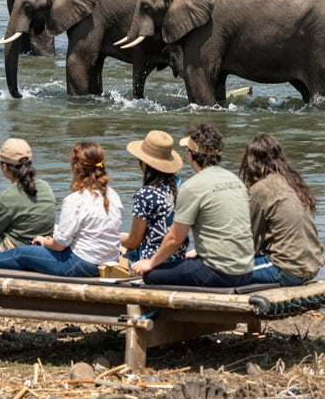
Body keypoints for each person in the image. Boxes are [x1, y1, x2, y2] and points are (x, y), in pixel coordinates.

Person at [0, 140, 123, 278]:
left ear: (75, 167)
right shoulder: (113, 195)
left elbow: (60, 245)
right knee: (32, 251)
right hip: (108, 261)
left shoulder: (75, 199)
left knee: (23, 253)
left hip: (81, 265)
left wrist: (43, 241)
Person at [131, 123, 255, 287]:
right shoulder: (235, 180)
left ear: (190, 155)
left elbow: (175, 239)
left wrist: (151, 263)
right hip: (246, 270)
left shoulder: (192, 187)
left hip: (216, 273)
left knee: (151, 275)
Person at [239, 133, 323, 286]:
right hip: (312, 266)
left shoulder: (261, 189)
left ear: (251, 161)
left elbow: (249, 241)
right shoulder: (294, 182)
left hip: (286, 270)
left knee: (224, 269)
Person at [121, 130, 188, 264]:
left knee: (115, 249)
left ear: (144, 163)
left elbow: (133, 242)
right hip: (177, 260)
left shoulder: (145, 194)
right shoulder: (181, 187)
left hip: (150, 262)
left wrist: (112, 236)